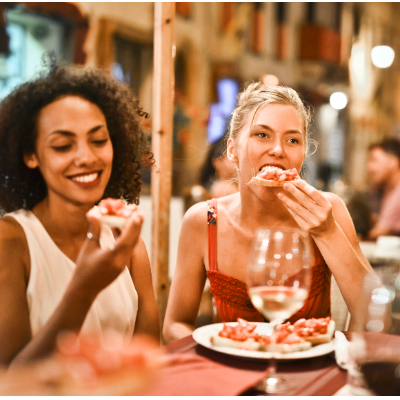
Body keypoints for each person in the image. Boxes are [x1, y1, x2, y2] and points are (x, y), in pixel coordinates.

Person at [163, 82, 374, 343]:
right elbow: (174, 324)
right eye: (262, 135)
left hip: (312, 375)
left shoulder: (329, 210)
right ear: (232, 151)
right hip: (231, 372)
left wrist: (327, 232)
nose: (278, 150)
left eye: (292, 140)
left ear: (303, 154)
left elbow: (376, 318)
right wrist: (214, 350)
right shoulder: (204, 221)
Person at [0, 59, 160, 366]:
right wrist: (83, 290)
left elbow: (149, 360)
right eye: (62, 146)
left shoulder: (127, 242)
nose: (86, 157)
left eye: (99, 140)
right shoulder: (11, 241)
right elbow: (10, 381)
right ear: (31, 155)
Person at [367, 138, 400, 239]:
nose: (369, 167)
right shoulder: (389, 189)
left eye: (374, 160)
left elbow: (377, 233)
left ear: (393, 162)